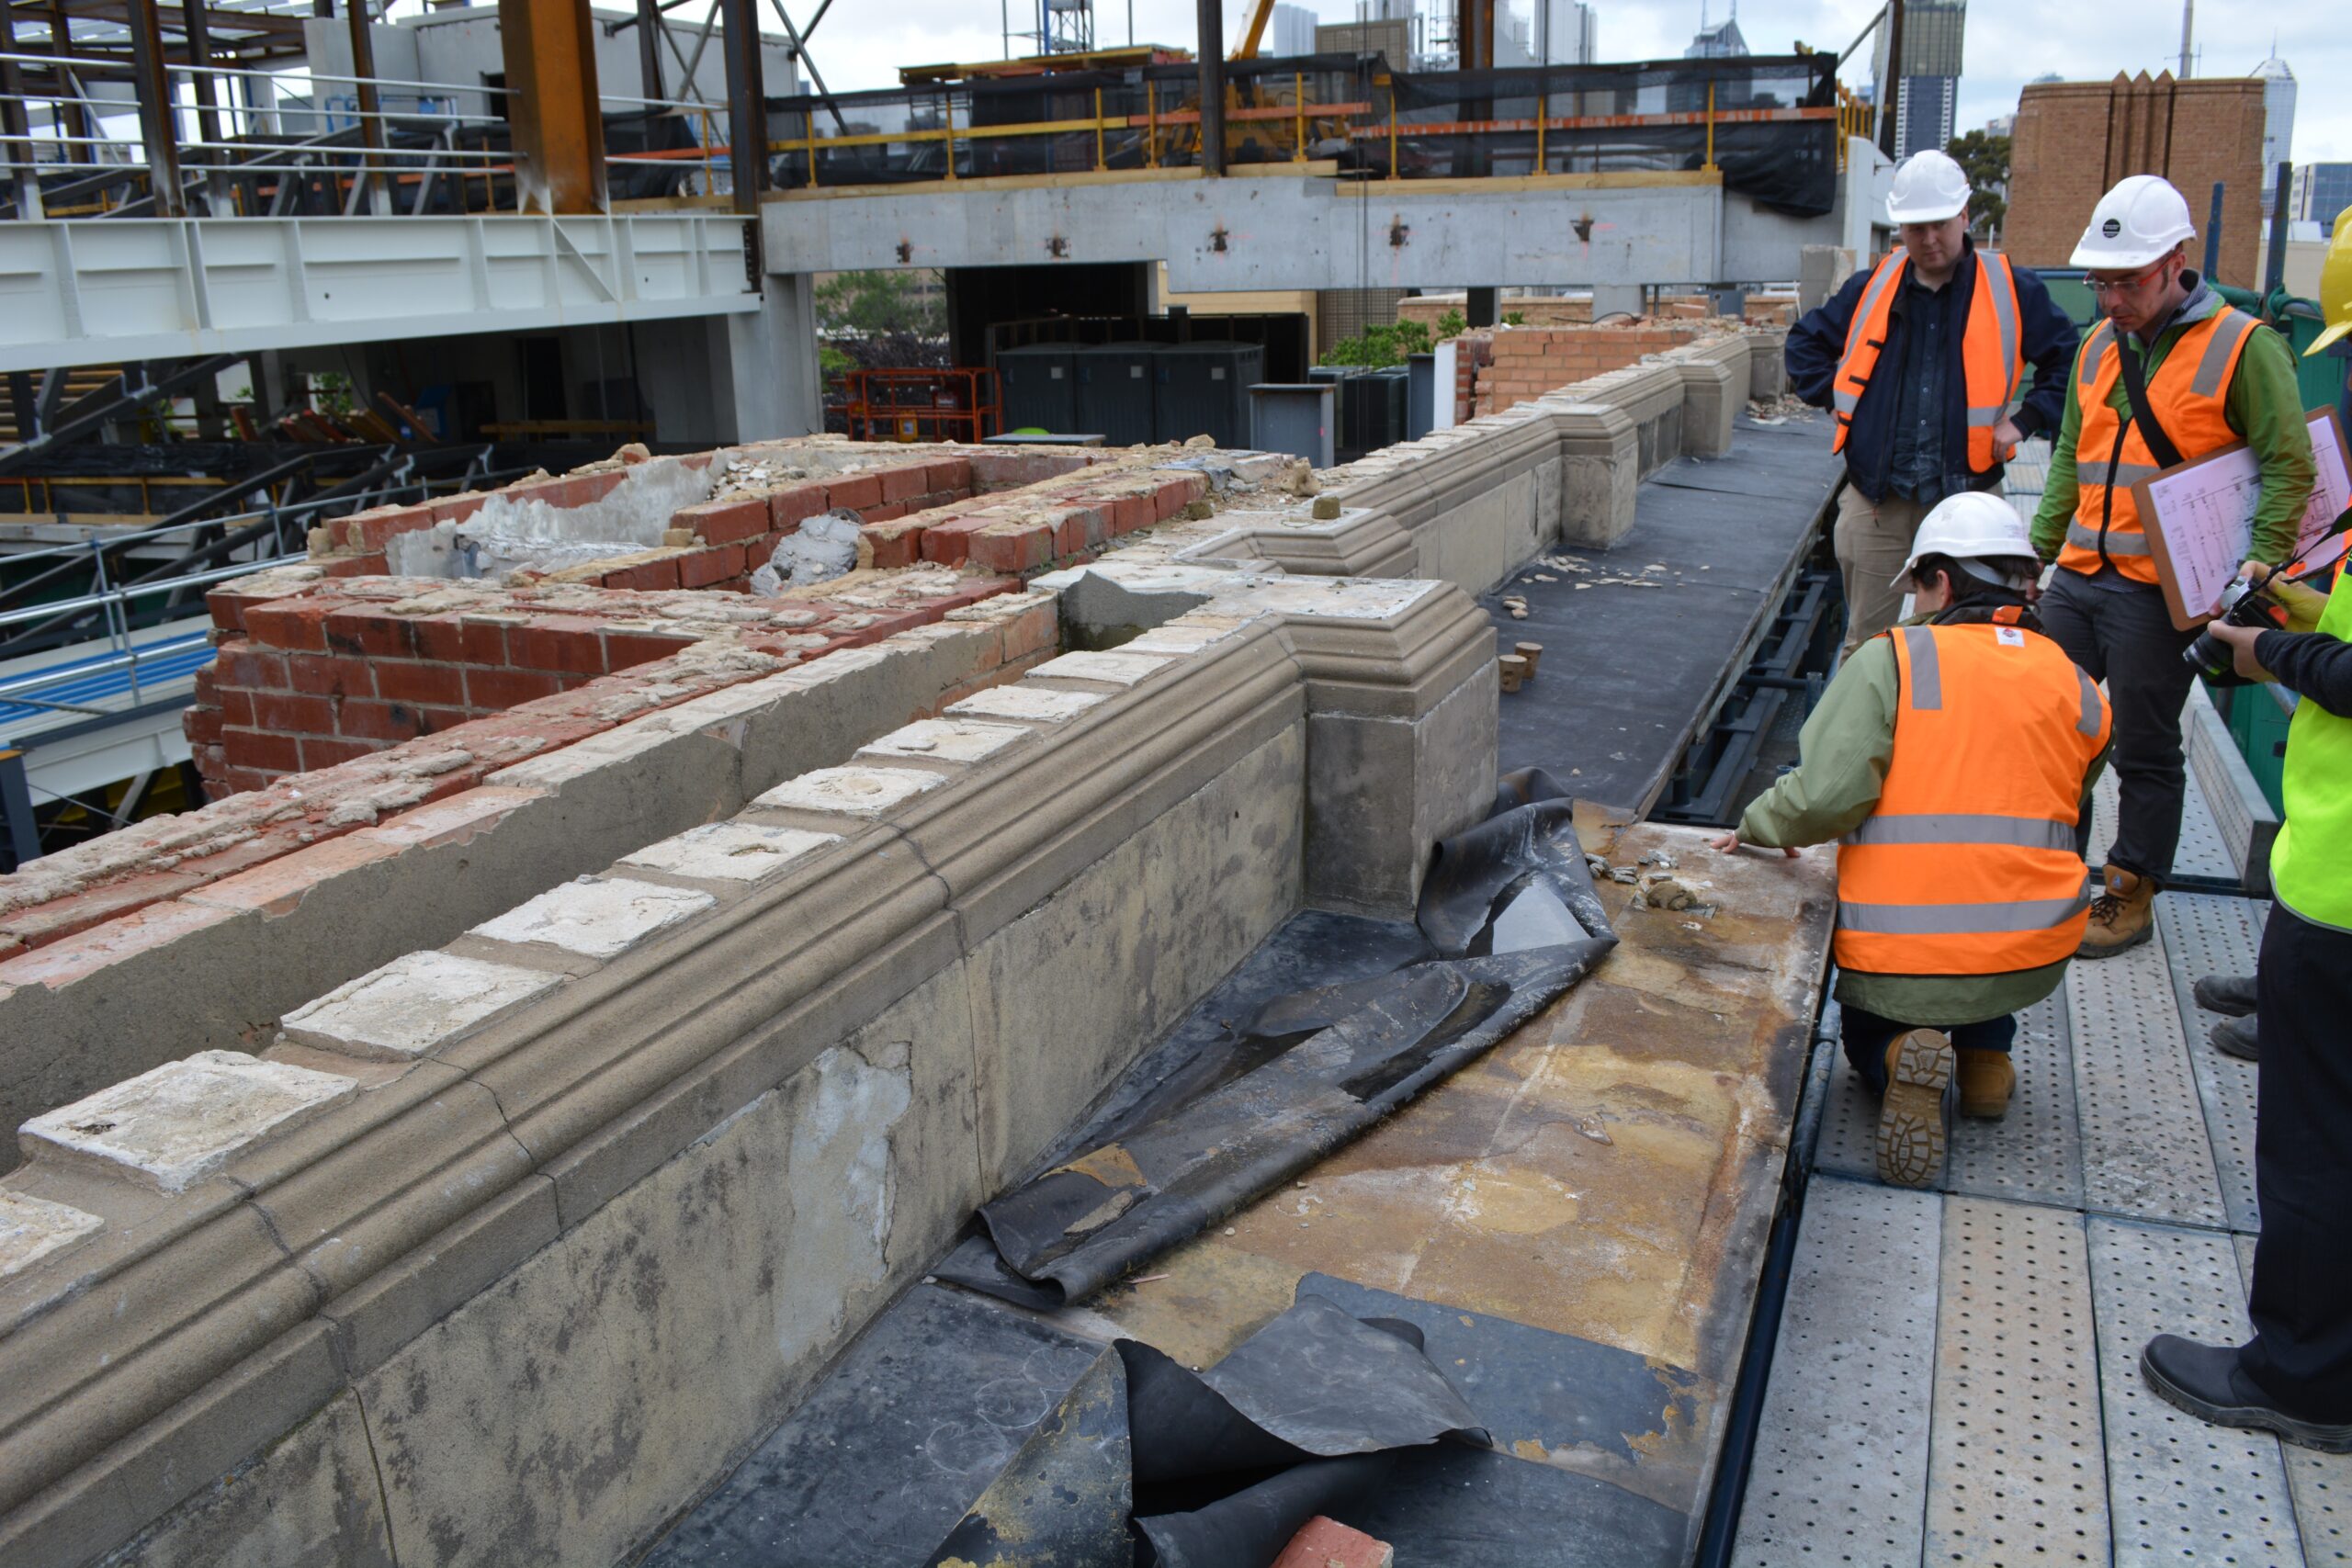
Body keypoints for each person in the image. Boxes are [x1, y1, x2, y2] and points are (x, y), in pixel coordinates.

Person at [1710, 493, 2110, 1189]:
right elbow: (2075, 795)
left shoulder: (1891, 659)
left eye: (1918, 587)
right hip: (2032, 944)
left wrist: (1754, 826)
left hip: (1900, 947)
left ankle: (1896, 1054)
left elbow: (1826, 797)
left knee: (1874, 1015)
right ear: (2024, 580)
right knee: (1991, 936)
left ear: (1943, 582)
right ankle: (1988, 1064)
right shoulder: (2074, 679)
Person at [2030, 175, 2316, 958]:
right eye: (2102, 281)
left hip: (2162, 592)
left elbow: (2290, 463)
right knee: (2050, 726)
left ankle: (2130, 890)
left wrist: (2259, 564)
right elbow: (2070, 458)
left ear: (2176, 263)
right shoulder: (2096, 347)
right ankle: (2051, 873)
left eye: (2127, 281)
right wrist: (2037, 553)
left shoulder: (2243, 347)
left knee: (2145, 744)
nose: (2111, 297)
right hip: (2081, 574)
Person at [2141, 548, 2352, 1454]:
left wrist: (2273, 652)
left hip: (2343, 896)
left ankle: (2297, 1375)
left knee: (2317, 1141)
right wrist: (2310, 619)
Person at [1786, 149, 2079, 652]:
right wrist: (1836, 400)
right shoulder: (1872, 288)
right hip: (1879, 502)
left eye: (1940, 225)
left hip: (1970, 496)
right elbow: (1803, 345)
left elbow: (2069, 361)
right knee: (1867, 643)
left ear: (1965, 217)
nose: (1928, 239)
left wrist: (2027, 419)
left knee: (1976, 641)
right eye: (1915, 228)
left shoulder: (2010, 288)